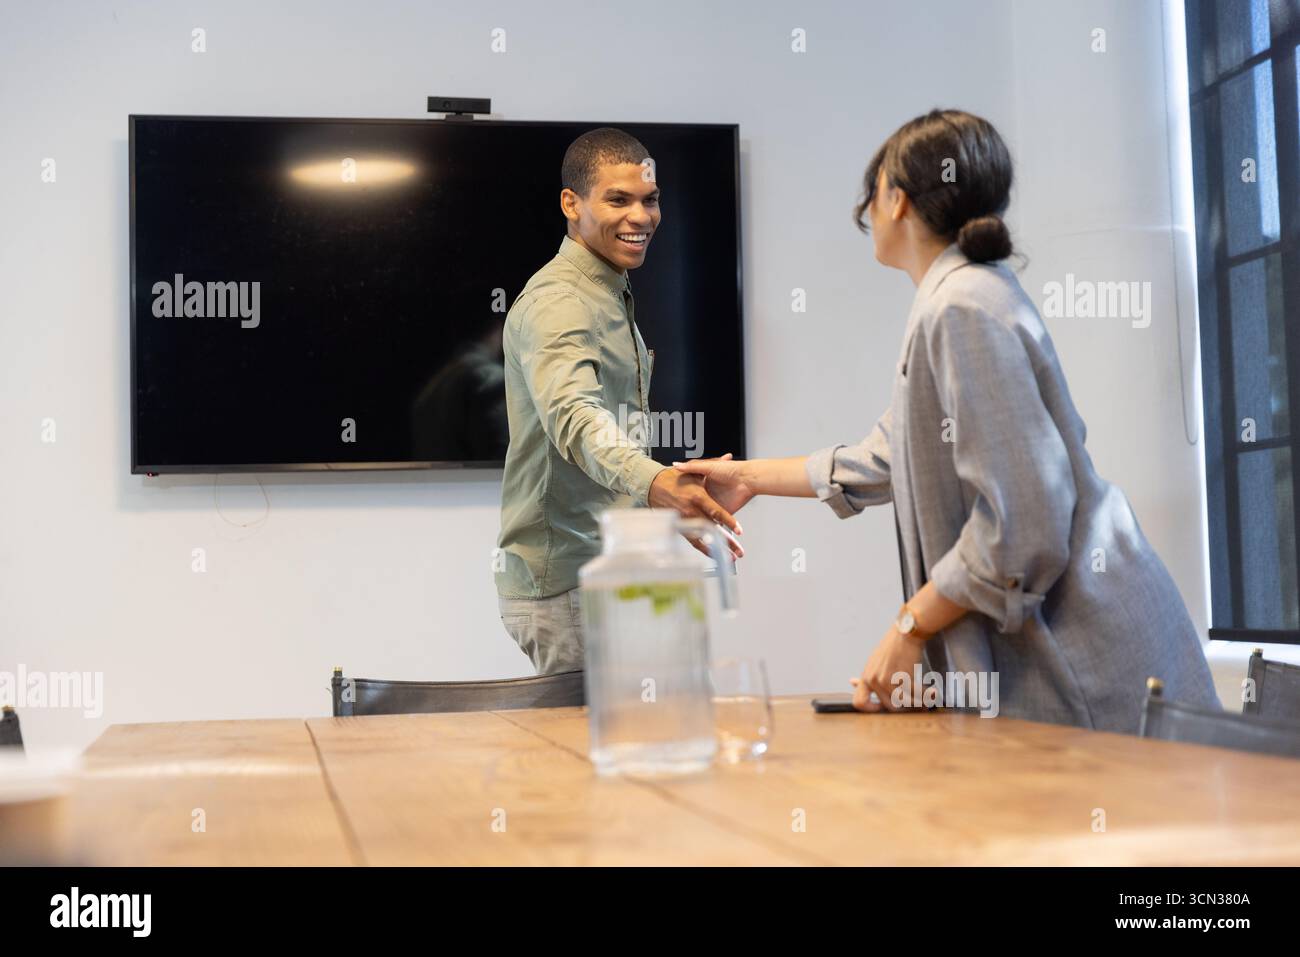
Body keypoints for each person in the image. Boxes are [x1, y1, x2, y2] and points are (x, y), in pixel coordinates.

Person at [674, 109, 1218, 733]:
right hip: (1078, 653)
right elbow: (885, 457)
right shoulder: (961, 295)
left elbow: (1024, 520)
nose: (864, 213)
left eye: (871, 194)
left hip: (1088, 663)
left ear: (898, 199)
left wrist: (910, 628)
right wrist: (745, 476)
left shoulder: (961, 307)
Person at [496, 127, 742, 675]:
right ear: (571, 203)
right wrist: (655, 482)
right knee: (593, 754)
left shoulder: (608, 292)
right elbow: (577, 420)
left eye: (650, 199)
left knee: (632, 746)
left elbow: (605, 449)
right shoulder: (560, 301)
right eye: (618, 199)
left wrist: (666, 502)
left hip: (608, 569)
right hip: (569, 584)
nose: (641, 216)